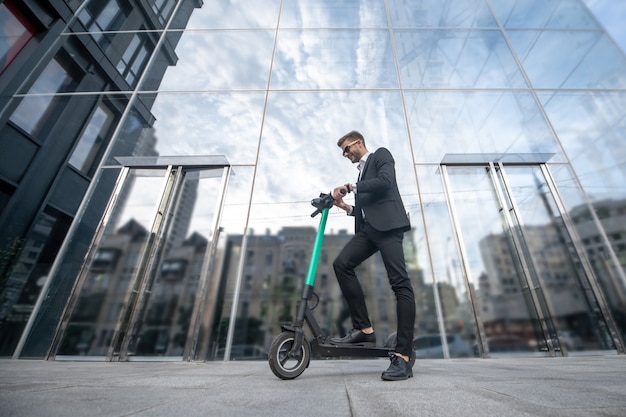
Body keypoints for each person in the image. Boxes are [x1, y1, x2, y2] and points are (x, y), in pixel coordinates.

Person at [329, 130, 416, 381]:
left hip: (388, 228)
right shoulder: (360, 174)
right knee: (342, 264)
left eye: (346, 149)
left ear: (358, 143)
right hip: (368, 231)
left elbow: (386, 183)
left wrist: (349, 186)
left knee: (400, 284)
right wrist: (346, 207)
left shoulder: (381, 156)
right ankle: (364, 329)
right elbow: (367, 210)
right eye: (343, 152)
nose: (345, 154)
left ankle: (403, 357)